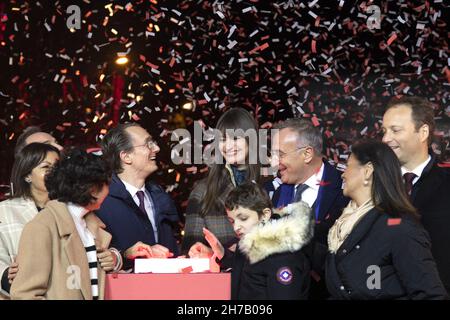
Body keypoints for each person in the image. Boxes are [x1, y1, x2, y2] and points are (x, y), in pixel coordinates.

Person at [326, 139, 447, 300]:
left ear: (367, 171)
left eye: (348, 166)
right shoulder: (340, 225)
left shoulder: (400, 228)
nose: (343, 173)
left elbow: (430, 294)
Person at [11, 149, 121, 300]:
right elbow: (24, 294)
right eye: (107, 184)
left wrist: (114, 258)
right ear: (92, 188)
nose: (109, 191)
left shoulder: (90, 224)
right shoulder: (42, 226)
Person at [268, 118, 349, 299]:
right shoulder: (276, 192)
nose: (274, 162)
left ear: (307, 154)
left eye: (280, 155)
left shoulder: (345, 190)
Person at [189, 182, 313, 300]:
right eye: (232, 221)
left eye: (243, 218)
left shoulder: (282, 256)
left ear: (265, 215)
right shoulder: (247, 244)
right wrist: (221, 253)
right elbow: (244, 274)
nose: (236, 227)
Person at [382, 96, 450, 294]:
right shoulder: (372, 185)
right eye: (384, 131)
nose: (386, 138)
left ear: (423, 132)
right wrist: (373, 288)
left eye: (395, 130)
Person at [182, 108, 265, 254]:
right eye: (223, 140)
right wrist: (213, 253)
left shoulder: (270, 183)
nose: (228, 146)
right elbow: (192, 251)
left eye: (235, 138)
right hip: (223, 274)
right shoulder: (203, 190)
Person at [97, 123, 179, 267]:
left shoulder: (160, 197)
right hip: (123, 287)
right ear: (126, 156)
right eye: (148, 144)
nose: (157, 148)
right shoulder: (101, 202)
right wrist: (123, 256)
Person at [0, 143, 60, 297]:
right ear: (27, 175)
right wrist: (5, 274)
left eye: (57, 166)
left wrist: (114, 256)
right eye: (46, 167)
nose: (54, 172)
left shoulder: (70, 208)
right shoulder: (5, 210)